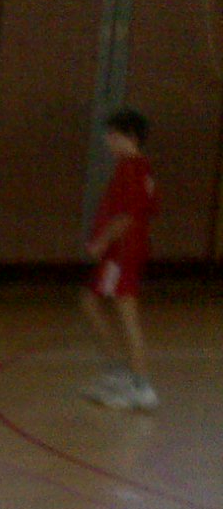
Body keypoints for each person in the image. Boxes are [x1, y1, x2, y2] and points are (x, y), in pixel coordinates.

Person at [81, 108, 159, 412]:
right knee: (91, 302)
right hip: (124, 251)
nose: (108, 141)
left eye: (114, 136)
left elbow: (128, 215)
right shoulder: (139, 168)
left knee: (126, 315)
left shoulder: (132, 168)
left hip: (122, 253)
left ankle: (140, 384)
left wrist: (101, 241)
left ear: (132, 137)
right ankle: (120, 372)